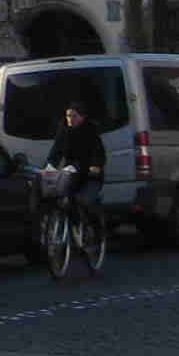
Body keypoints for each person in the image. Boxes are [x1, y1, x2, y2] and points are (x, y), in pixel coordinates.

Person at [47, 100, 109, 255]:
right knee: (64, 198)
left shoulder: (91, 130)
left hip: (90, 175)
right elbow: (56, 150)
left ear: (82, 117)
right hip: (73, 172)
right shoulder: (64, 131)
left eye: (74, 116)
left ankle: (97, 233)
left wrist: (95, 166)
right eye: (68, 116)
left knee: (85, 201)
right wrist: (50, 166)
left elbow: (98, 152)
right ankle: (74, 227)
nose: (70, 119)